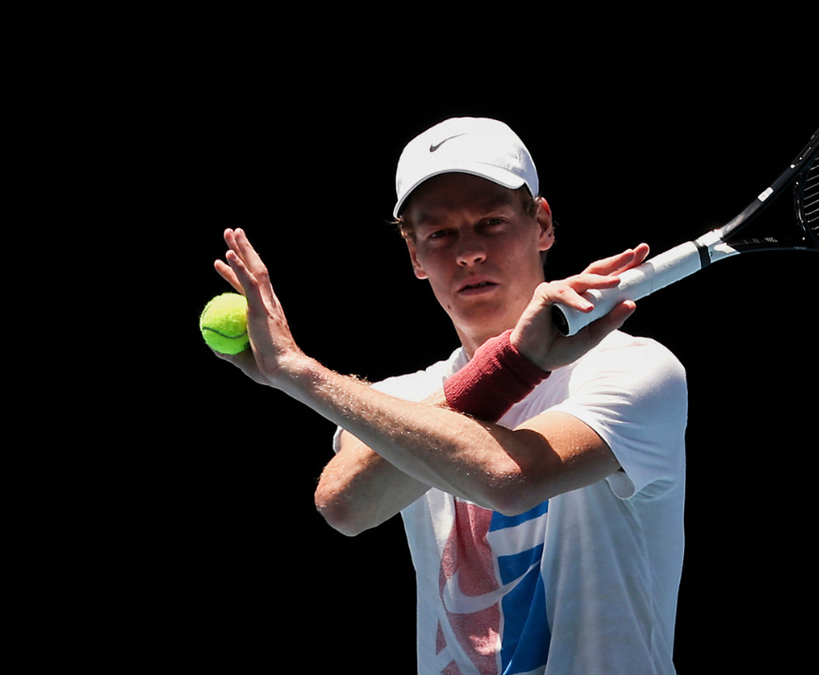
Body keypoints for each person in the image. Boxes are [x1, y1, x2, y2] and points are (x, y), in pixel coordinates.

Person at [212, 117, 687, 674]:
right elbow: (344, 505)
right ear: (415, 256)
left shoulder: (634, 367)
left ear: (542, 224)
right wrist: (513, 365)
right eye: (438, 234)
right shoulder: (397, 399)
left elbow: (511, 479)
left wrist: (300, 372)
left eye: (490, 222)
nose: (467, 252)